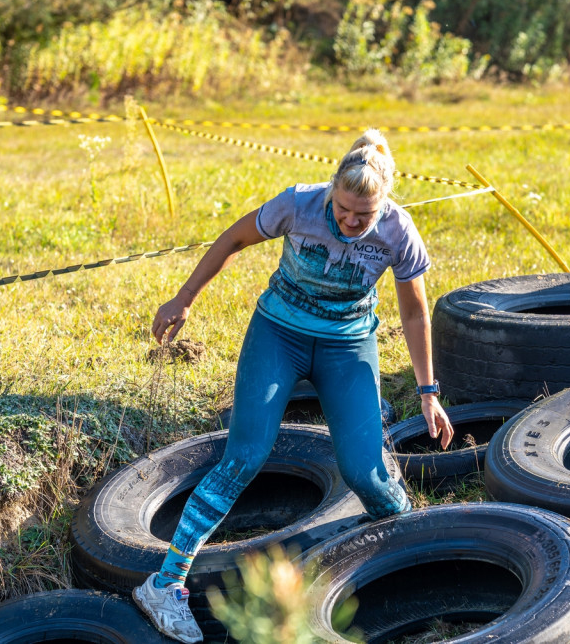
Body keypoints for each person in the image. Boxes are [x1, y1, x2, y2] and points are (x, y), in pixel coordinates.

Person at [133, 129, 455, 643]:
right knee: (245, 455)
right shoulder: (298, 205)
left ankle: (421, 563)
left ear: (383, 205)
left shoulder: (398, 230)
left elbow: (415, 314)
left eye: (362, 216)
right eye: (344, 209)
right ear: (331, 189)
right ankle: (165, 584)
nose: (351, 222)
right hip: (278, 335)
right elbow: (234, 238)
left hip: (347, 348)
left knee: (366, 473)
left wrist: (428, 393)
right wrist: (184, 297)